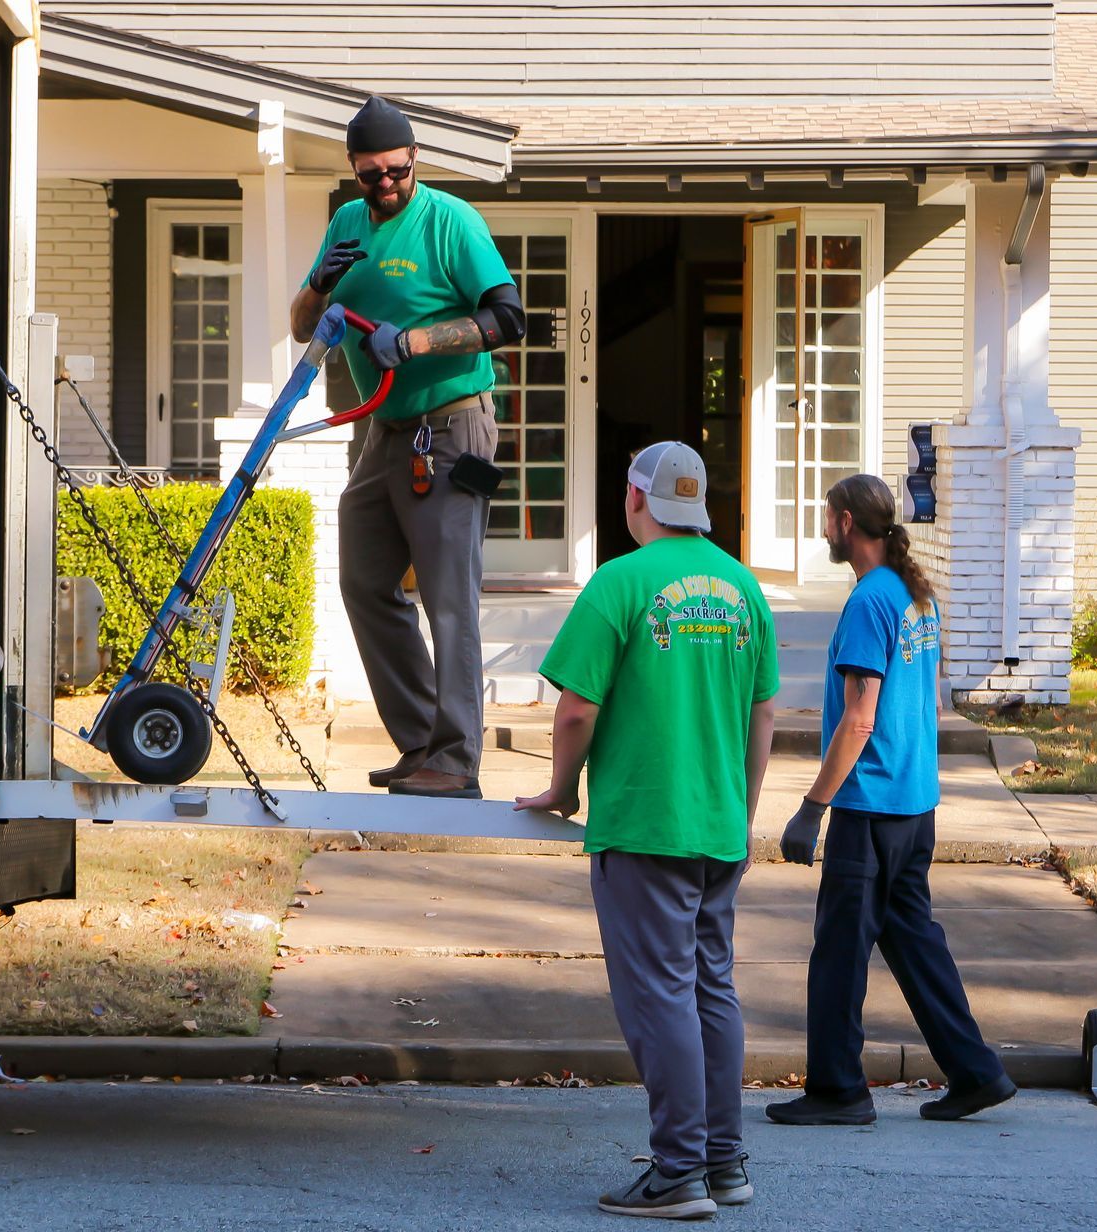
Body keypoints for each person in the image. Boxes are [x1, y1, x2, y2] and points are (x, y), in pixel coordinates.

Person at [516, 442, 778, 1219]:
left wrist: (562, 790)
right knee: (711, 990)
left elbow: (574, 708)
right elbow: (764, 714)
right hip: (718, 824)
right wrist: (744, 809)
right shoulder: (744, 588)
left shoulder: (618, 583)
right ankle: (724, 1163)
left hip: (644, 823)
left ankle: (676, 1172)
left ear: (637, 502)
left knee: (660, 996)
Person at [290, 95, 527, 800]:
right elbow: (304, 322)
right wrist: (320, 282)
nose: (385, 183)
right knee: (363, 581)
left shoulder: (451, 221)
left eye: (396, 169)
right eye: (371, 174)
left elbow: (508, 317)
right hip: (383, 432)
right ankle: (422, 742)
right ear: (354, 171)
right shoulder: (346, 221)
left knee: (449, 600)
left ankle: (456, 762)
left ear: (414, 157)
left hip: (449, 429)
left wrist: (418, 340)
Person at [766, 473, 1017, 1126]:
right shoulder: (915, 595)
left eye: (827, 518)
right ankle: (977, 1070)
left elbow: (860, 718)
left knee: (840, 951)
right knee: (913, 941)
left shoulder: (868, 603)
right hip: (914, 802)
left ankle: (837, 1091)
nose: (824, 529)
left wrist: (812, 808)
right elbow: (927, 699)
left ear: (848, 522)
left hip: (869, 806)